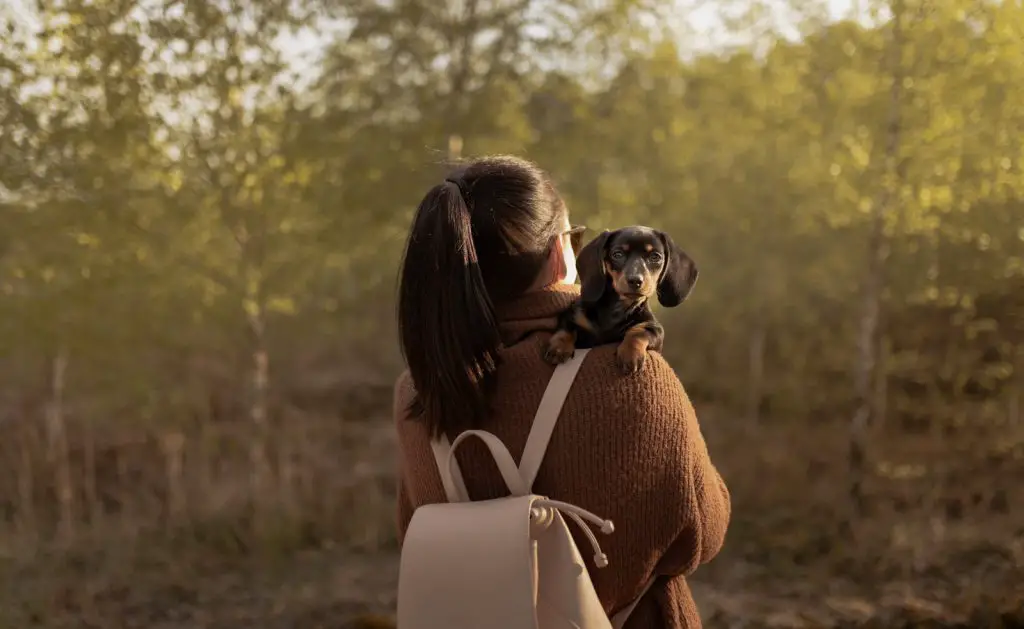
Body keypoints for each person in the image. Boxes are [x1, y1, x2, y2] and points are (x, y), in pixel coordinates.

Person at [393, 154, 731, 628]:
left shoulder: (420, 390)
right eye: (577, 239)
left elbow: (415, 531)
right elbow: (704, 530)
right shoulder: (636, 376)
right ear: (560, 253)